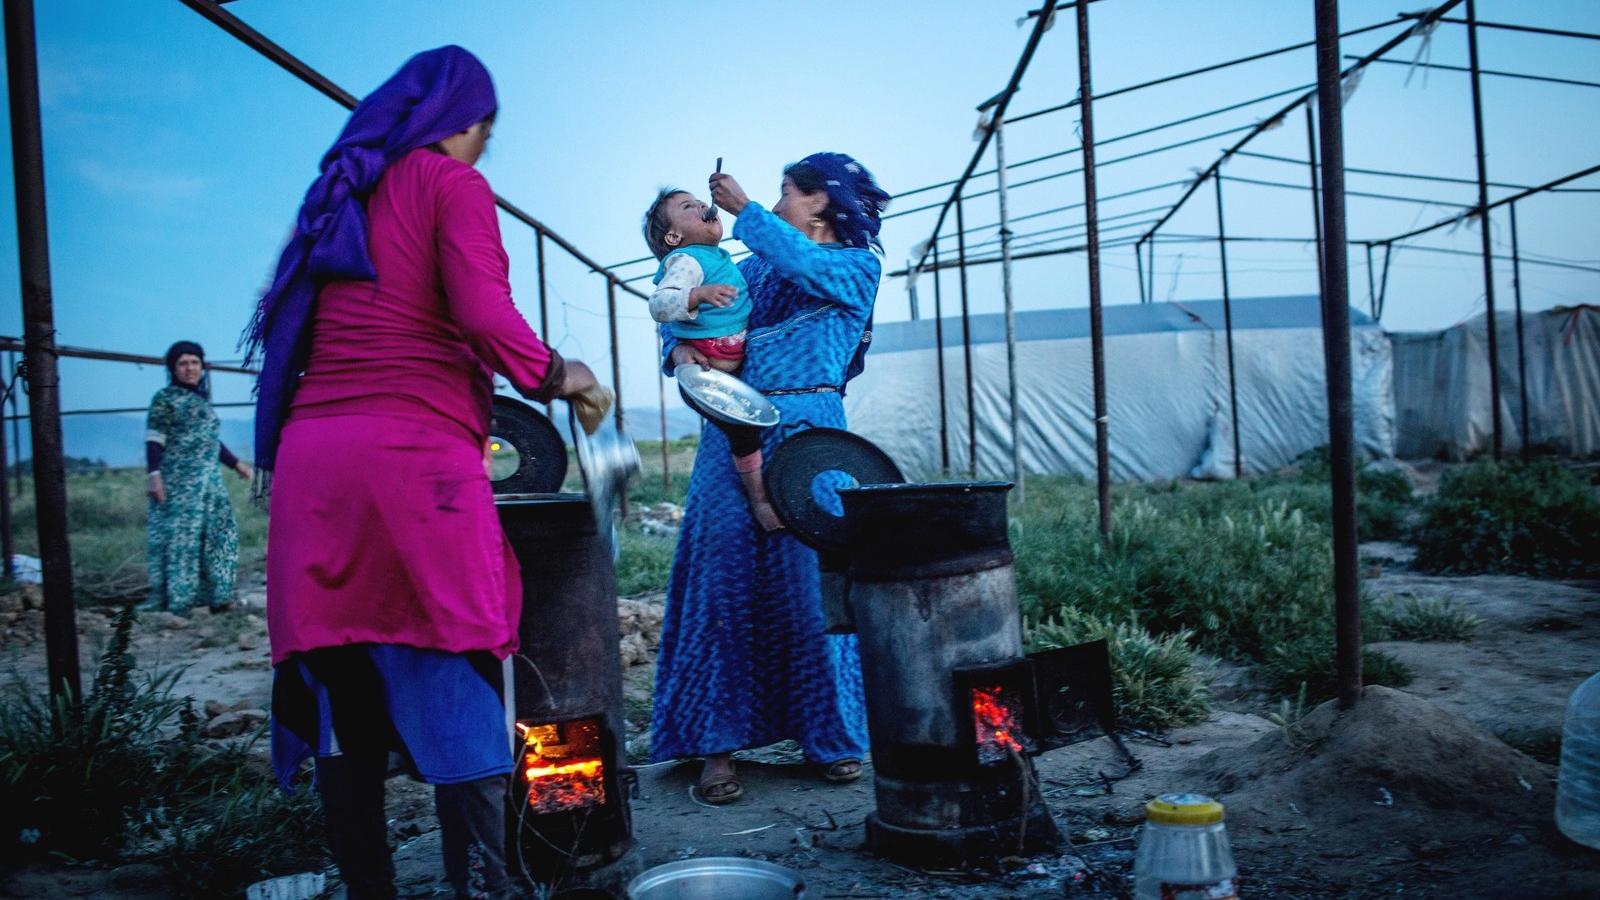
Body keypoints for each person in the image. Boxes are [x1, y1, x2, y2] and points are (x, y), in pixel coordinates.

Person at [251, 47, 602, 900]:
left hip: (314, 469)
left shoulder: (339, 195)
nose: (487, 149)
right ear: (463, 123)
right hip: (411, 467)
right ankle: (496, 885)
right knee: (455, 654)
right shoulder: (452, 186)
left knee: (343, 682)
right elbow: (483, 312)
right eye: (487, 130)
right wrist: (563, 375)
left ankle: (371, 890)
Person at [650, 152, 890, 804]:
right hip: (731, 429)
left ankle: (833, 738)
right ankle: (714, 745)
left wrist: (745, 210)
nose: (778, 202)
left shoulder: (855, 266)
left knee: (813, 591)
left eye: (788, 192)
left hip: (813, 441)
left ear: (820, 202)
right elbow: (685, 315)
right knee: (721, 584)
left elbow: (806, 263)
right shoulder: (747, 270)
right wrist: (677, 347)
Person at [641, 187, 782, 530]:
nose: (704, 206)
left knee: (745, 434)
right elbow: (660, 305)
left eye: (702, 202)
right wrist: (696, 297)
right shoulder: (686, 261)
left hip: (726, 370)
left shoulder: (720, 259)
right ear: (674, 236)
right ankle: (760, 500)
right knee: (743, 435)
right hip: (705, 375)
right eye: (689, 206)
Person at [143, 340, 251, 614]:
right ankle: (180, 602)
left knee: (220, 534)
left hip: (210, 483)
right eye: (183, 363)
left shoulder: (202, 401)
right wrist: (153, 475)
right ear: (173, 368)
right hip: (179, 484)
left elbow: (211, 442)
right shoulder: (165, 399)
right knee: (183, 541)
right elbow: (154, 439)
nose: (190, 368)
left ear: (202, 367)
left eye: (194, 363)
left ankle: (219, 596)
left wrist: (238, 465)